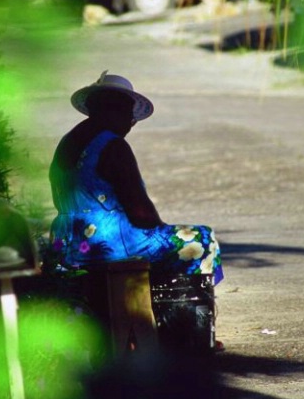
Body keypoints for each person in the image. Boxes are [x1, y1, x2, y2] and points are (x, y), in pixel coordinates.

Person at [48, 71, 223, 285]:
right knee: (203, 239)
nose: (131, 124)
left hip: (63, 242)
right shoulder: (112, 146)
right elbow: (141, 214)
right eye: (129, 116)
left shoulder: (67, 141)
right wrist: (161, 232)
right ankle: (185, 313)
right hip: (107, 243)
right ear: (112, 111)